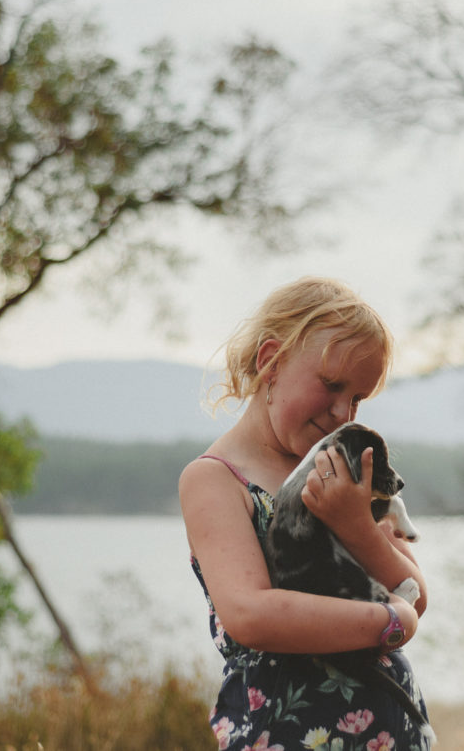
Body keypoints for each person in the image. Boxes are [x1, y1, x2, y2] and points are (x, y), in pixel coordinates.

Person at [179, 276, 432, 751]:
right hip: (283, 729)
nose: (344, 412)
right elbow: (250, 614)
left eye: (358, 398)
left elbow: (412, 596)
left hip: (388, 732)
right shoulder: (215, 479)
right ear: (270, 361)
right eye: (332, 385)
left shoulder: (342, 474)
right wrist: (386, 623)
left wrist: (357, 527)